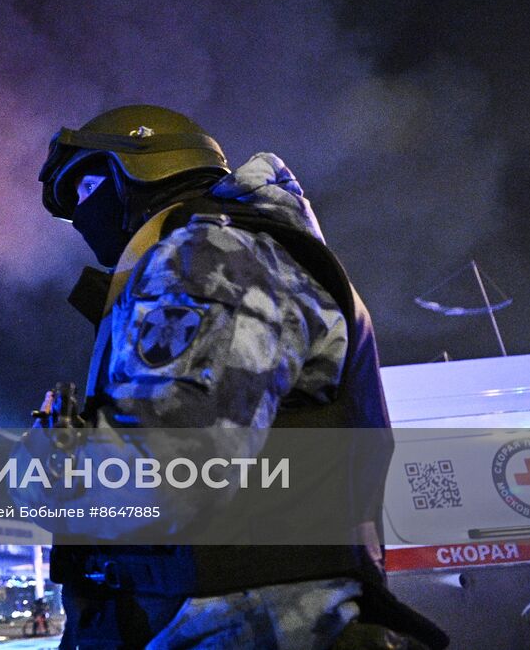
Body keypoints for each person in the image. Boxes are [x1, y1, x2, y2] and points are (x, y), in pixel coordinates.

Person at [31, 105, 446, 650]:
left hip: (237, 629)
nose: (84, 214)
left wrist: (42, 471)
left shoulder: (208, 257)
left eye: (86, 188)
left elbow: (164, 480)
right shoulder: (239, 254)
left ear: (138, 167)